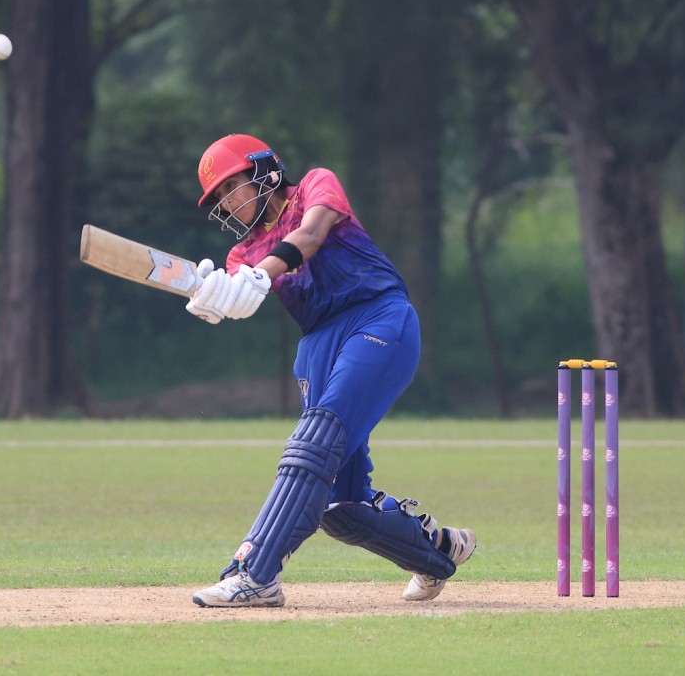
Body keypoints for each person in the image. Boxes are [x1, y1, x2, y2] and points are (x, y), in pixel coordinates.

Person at [185, 133, 475, 608]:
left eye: (231, 186)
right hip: (317, 343)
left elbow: (310, 236)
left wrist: (260, 273)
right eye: (219, 197)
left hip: (377, 318)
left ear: (263, 171)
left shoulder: (314, 185)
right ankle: (438, 552)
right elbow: (242, 292)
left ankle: (255, 573)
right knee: (342, 506)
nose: (228, 202)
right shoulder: (243, 254)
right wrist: (219, 297)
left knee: (314, 443)